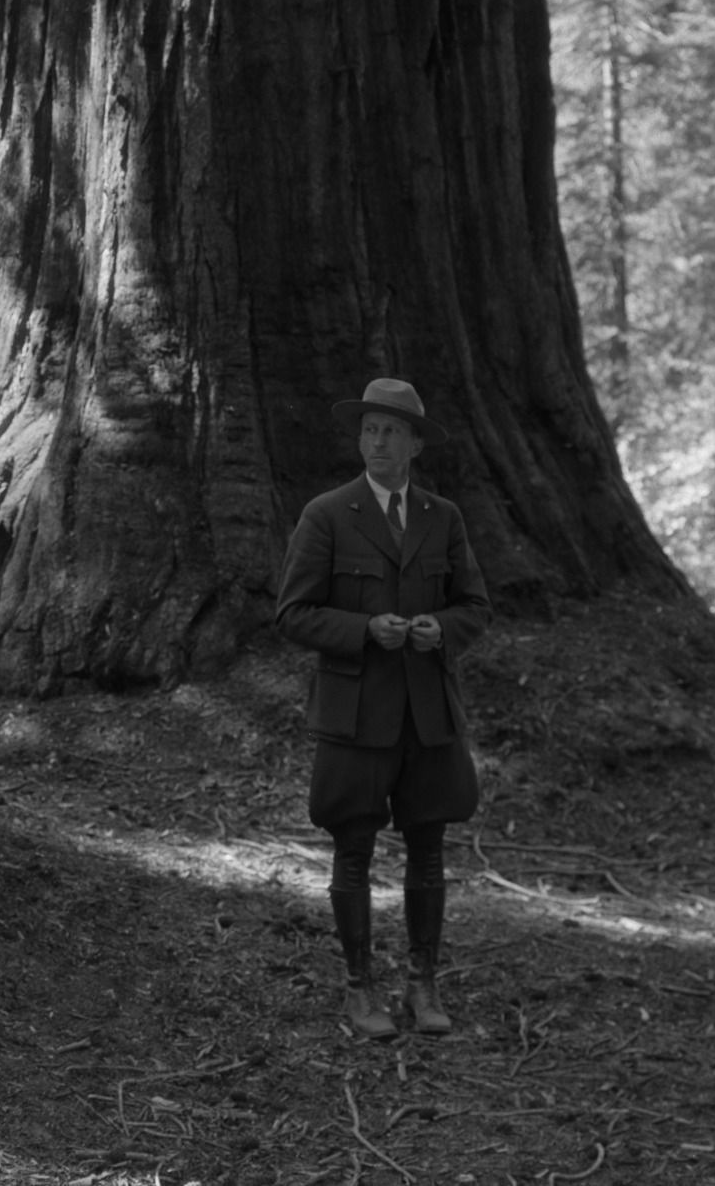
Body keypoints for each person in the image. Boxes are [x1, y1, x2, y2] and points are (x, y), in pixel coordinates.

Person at [275, 377, 491, 1039]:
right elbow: (293, 613)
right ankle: (358, 988)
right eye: (369, 428)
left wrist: (439, 630)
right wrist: (364, 630)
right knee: (353, 851)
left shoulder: (441, 516)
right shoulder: (327, 513)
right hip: (354, 713)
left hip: (427, 714)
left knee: (428, 850)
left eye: (391, 430)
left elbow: (474, 606)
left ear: (415, 443)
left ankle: (422, 986)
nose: (377, 440)